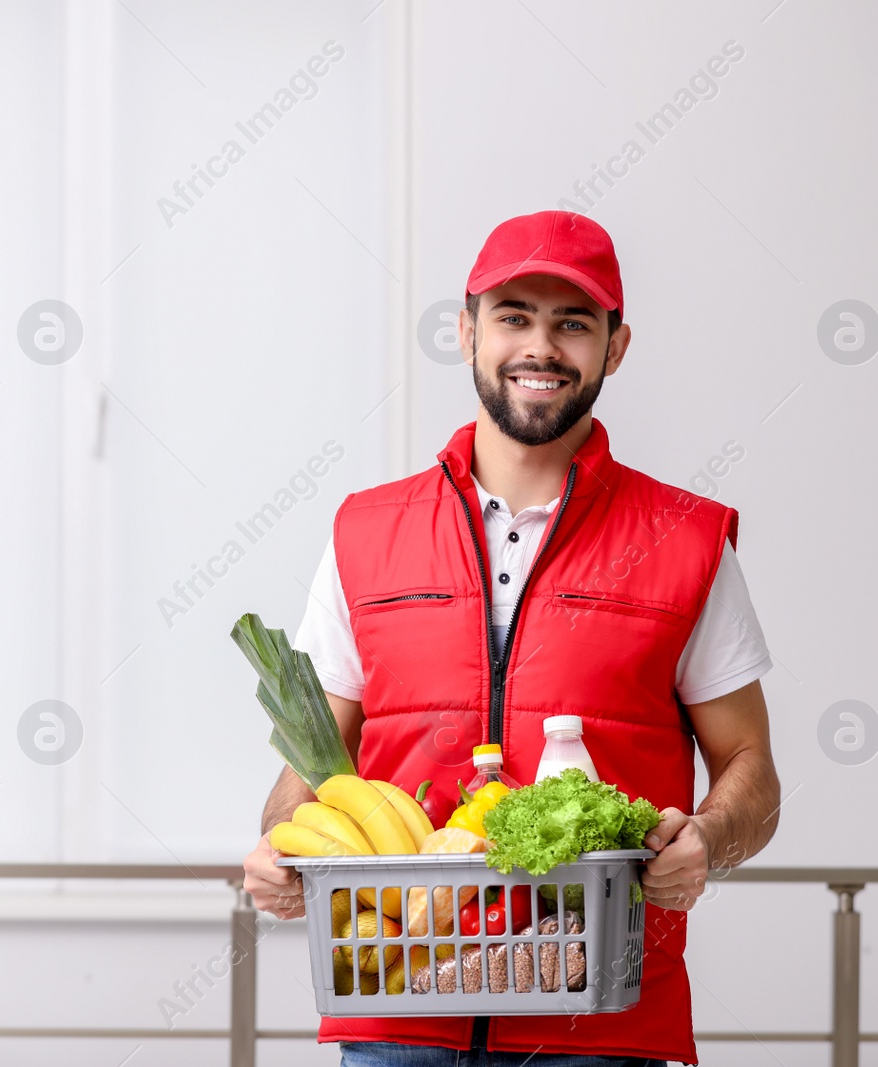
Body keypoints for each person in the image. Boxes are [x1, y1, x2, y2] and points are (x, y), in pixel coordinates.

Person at [241, 210, 782, 1066]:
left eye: (573, 322)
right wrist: (279, 844)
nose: (541, 346)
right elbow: (314, 762)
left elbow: (753, 768)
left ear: (616, 346)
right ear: (465, 333)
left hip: (599, 1025)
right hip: (396, 1010)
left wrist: (708, 841)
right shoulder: (365, 531)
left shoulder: (685, 539)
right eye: (513, 316)